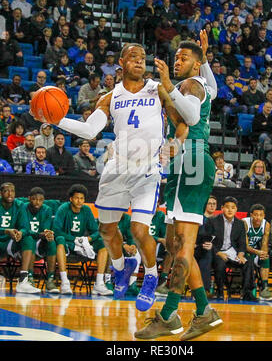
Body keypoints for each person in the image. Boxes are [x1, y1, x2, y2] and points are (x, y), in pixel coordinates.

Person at [42, 43, 189, 312]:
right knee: (107, 231)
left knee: (138, 229)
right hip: (117, 168)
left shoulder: (157, 89)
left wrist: (175, 145)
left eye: (143, 58)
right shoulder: (109, 96)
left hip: (147, 168)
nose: (139, 62)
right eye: (134, 57)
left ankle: (151, 277)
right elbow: (89, 130)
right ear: (121, 63)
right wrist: (57, 118)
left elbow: (182, 123)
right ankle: (121, 268)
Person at [136, 32, 222, 340]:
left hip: (192, 163)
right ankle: (200, 312)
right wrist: (205, 57)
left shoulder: (189, 85)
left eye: (184, 58)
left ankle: (173, 315)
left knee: (183, 247)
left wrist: (169, 86)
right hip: (184, 164)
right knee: (174, 246)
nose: (176, 61)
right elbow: (212, 87)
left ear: (195, 65)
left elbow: (192, 114)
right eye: (176, 57)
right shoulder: (203, 86)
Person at [53, 184, 112, 296]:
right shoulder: (63, 209)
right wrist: (74, 239)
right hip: (69, 242)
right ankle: (65, 282)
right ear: (71, 199)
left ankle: (99, 284)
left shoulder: (86, 210)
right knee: (60, 240)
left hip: (83, 243)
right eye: (76, 198)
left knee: (103, 243)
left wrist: (89, 239)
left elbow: (96, 231)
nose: (79, 201)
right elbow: (57, 230)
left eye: (82, 198)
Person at [201, 196, 257, 301]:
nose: (230, 210)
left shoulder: (240, 224)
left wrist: (240, 254)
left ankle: (246, 292)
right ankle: (220, 291)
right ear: (222, 208)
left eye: (233, 207)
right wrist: (218, 253)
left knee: (248, 262)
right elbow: (207, 241)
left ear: (236, 209)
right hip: (216, 252)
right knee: (220, 263)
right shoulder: (212, 221)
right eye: (227, 207)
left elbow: (242, 243)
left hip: (232, 252)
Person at [0, 182, 40, 294]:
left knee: (28, 238)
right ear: (1, 193)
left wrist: (20, 233)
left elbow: (24, 227)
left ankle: (23, 280)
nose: (10, 194)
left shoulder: (20, 205)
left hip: (10, 241)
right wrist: (6, 230)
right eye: (6, 191)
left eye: (12, 191)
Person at [23, 187, 59, 293]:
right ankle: (29, 278)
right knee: (29, 239)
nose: (37, 202)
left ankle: (50, 280)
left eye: (40, 199)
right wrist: (40, 234)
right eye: (34, 199)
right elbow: (24, 228)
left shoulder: (47, 209)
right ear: (29, 198)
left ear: (43, 200)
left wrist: (48, 234)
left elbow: (46, 228)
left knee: (52, 242)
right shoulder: (23, 208)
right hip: (25, 240)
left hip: (40, 240)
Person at [243, 204, 272, 299]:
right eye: (256, 215)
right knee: (250, 257)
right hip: (243, 250)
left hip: (256, 250)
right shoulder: (245, 223)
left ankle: (264, 288)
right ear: (251, 215)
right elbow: (245, 245)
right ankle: (249, 289)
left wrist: (263, 254)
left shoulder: (266, 224)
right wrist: (257, 252)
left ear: (264, 215)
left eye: (261, 215)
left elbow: (265, 243)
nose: (258, 217)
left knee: (265, 258)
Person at [194, 195, 217, 298]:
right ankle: (202, 290)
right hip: (195, 247)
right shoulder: (198, 218)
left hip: (213, 249)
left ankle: (204, 290)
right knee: (204, 253)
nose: (212, 206)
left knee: (207, 253)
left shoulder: (218, 220)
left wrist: (213, 245)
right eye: (209, 203)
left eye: (214, 204)